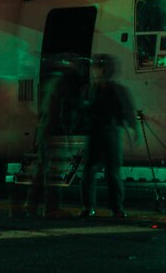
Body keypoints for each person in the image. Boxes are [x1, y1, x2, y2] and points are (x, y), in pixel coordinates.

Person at [78, 54, 139, 219]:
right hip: (98, 133)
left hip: (109, 132)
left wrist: (134, 128)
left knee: (110, 172)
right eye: (100, 66)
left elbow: (127, 110)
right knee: (94, 172)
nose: (103, 70)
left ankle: (113, 207)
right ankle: (91, 206)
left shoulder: (109, 90)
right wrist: (133, 128)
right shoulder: (91, 90)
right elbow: (127, 111)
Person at [23, 56, 85, 218]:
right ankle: (52, 208)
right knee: (54, 171)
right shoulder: (66, 83)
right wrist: (68, 131)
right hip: (55, 129)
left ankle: (31, 205)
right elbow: (65, 108)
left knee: (41, 169)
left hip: (45, 127)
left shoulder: (52, 81)